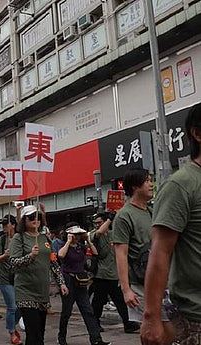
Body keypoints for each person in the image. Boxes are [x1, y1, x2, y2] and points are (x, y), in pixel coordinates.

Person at [141, 103, 201, 345]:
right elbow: (160, 252)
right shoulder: (181, 184)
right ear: (197, 133)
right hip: (195, 318)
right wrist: (151, 317)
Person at [9, 205, 68, 345]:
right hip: (25, 291)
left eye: (38, 216)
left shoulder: (45, 238)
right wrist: (30, 256)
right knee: (33, 333)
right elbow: (13, 263)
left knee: (40, 333)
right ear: (24, 220)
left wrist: (61, 283)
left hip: (42, 292)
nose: (35, 220)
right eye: (31, 217)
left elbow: (53, 262)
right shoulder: (19, 238)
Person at [112, 169, 156, 323]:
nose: (151, 185)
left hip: (159, 281)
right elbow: (121, 254)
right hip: (139, 285)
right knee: (151, 332)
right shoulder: (124, 216)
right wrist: (126, 290)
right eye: (147, 181)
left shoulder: (152, 211)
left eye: (151, 180)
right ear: (135, 187)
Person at [89, 213, 140, 334]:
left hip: (114, 274)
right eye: (95, 223)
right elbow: (99, 233)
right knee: (98, 301)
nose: (97, 225)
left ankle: (127, 323)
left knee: (121, 301)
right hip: (101, 274)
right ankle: (95, 323)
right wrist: (109, 219)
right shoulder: (93, 234)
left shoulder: (114, 234)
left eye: (99, 222)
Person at [0, 215, 22, 345]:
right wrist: (5, 255)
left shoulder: (20, 238)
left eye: (7, 224)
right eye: (3, 224)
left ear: (14, 225)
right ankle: (12, 332)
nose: (4, 227)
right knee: (12, 307)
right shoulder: (1, 240)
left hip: (20, 278)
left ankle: (12, 324)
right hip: (5, 278)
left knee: (21, 306)